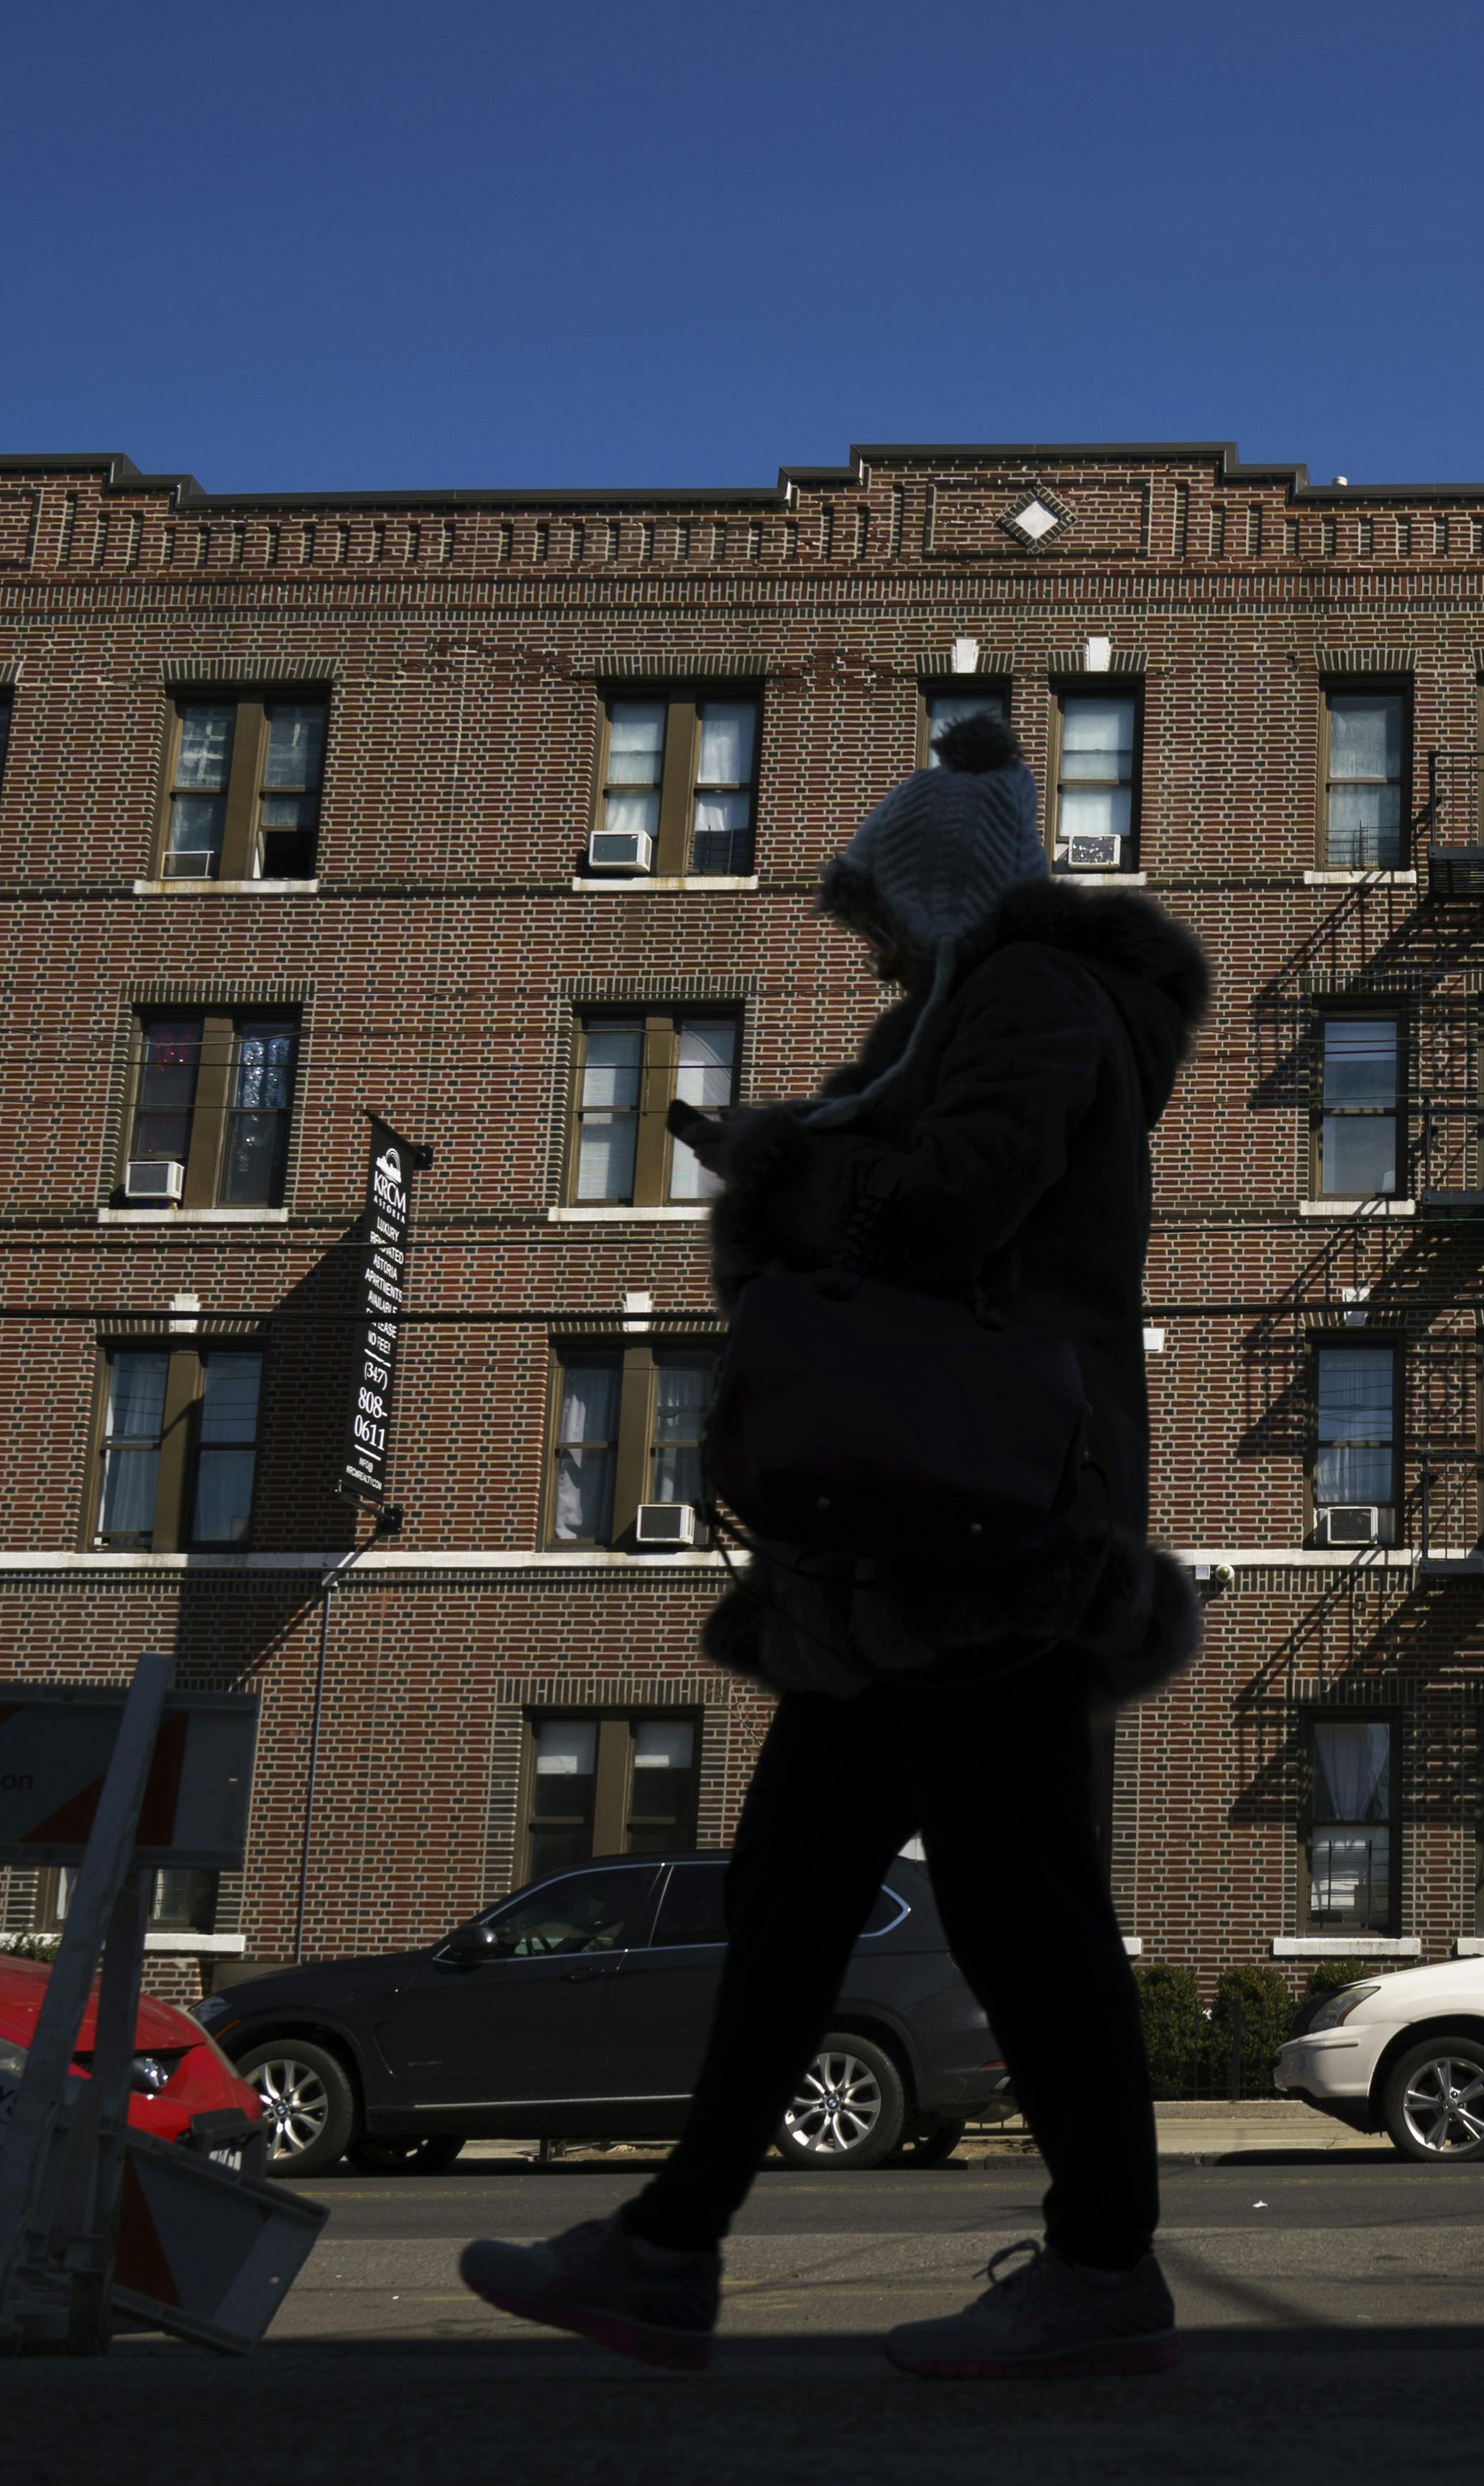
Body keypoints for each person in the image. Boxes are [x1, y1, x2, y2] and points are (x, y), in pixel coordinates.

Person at [461, 714, 1208, 2375]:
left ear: (951, 895)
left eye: (882, 909)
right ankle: (668, 2249)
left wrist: (790, 1169)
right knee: (799, 1892)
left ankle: (1101, 2267)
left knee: (1021, 1912)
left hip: (995, 1537)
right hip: (912, 1550)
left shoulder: (1031, 998)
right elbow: (913, 1176)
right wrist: (795, 1146)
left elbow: (957, 1203)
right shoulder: (956, 1015)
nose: (867, 943)